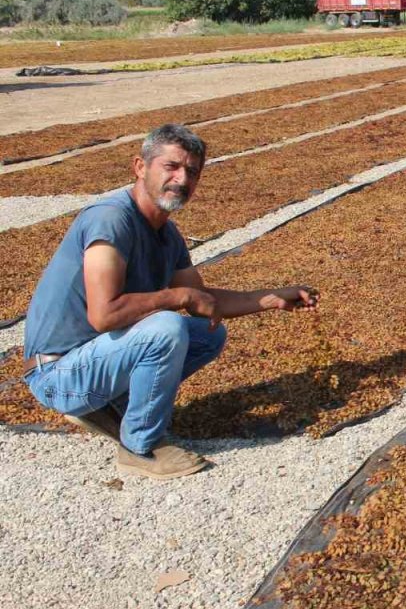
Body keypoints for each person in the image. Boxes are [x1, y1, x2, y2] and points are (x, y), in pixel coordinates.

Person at [22, 124, 319, 480]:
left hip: (96, 359)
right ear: (140, 167)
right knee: (166, 328)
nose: (182, 179)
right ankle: (140, 446)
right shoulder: (111, 219)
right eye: (171, 166)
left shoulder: (167, 234)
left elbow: (202, 302)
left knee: (207, 334)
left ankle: (113, 406)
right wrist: (176, 296)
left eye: (192, 171)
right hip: (57, 372)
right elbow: (104, 315)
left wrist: (271, 299)